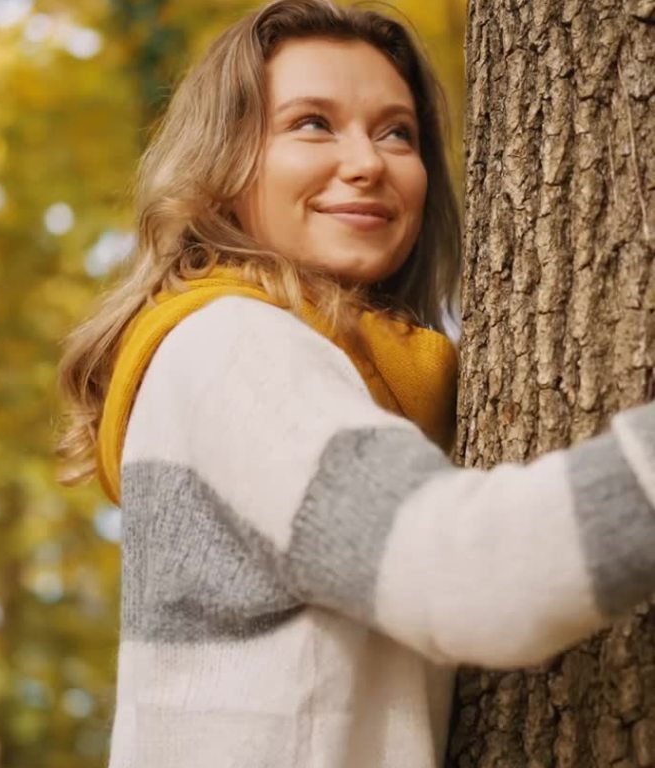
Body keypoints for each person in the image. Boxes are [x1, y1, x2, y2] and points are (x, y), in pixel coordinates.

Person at [57, 0, 655, 766]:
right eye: (312, 123)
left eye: (396, 132)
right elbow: (474, 575)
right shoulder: (232, 347)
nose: (367, 162)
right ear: (223, 171)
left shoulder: (351, 380)